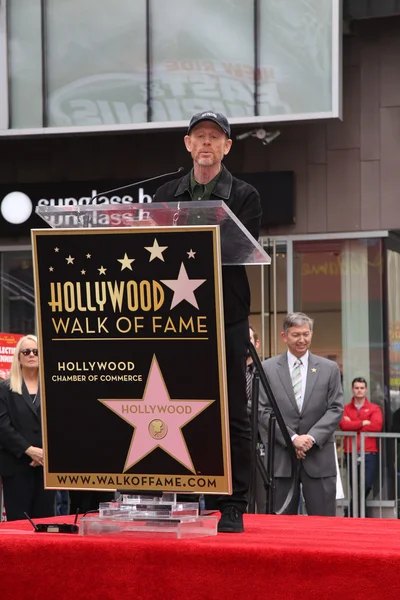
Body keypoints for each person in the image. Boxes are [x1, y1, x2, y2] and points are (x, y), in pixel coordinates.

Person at [154, 111, 262, 532]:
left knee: (233, 411)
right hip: (176, 320)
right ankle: (179, 492)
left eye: (215, 138)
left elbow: (235, 249)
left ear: (226, 147)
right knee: (175, 405)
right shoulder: (167, 192)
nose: (206, 143)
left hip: (227, 316)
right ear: (187, 143)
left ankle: (232, 502)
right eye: (199, 136)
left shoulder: (245, 194)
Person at [259, 312, 343, 516]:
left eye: (306, 334)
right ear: (284, 336)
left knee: (323, 525)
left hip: (319, 457)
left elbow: (336, 408)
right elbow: (262, 410)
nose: (302, 340)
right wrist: (292, 438)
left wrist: (310, 439)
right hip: (280, 460)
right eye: (296, 335)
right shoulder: (267, 369)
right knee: (280, 528)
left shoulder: (329, 369)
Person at [0, 335, 55, 521]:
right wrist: (30, 451)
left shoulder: (52, 387)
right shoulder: (5, 388)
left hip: (46, 466)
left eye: (36, 351)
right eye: (26, 351)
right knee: (20, 525)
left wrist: (44, 453)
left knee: (46, 523)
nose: (31, 355)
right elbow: (3, 426)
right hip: (17, 466)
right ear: (18, 358)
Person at [339, 377, 383, 517]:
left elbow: (376, 426)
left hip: (369, 452)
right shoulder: (345, 408)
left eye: (362, 388)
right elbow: (343, 426)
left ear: (366, 390)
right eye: (357, 388)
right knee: (355, 486)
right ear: (352, 389)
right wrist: (363, 422)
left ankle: (351, 512)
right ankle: (359, 515)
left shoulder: (374, 408)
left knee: (366, 484)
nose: (359, 390)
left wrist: (353, 424)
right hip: (350, 451)